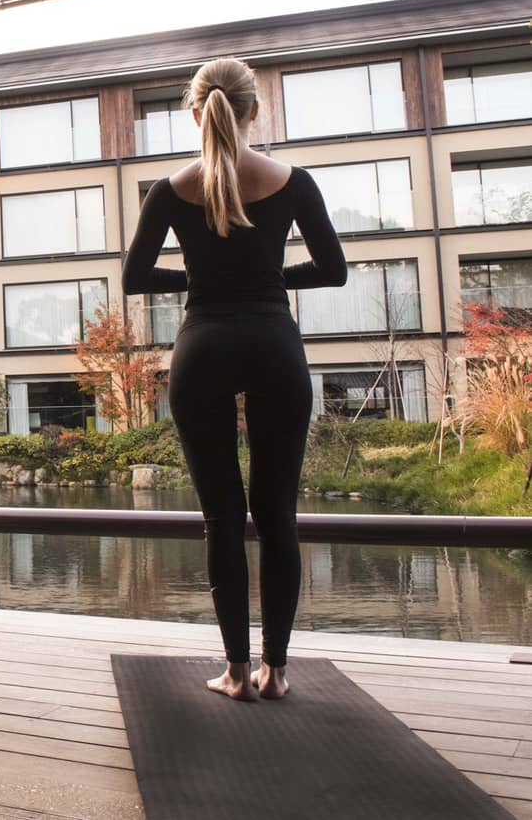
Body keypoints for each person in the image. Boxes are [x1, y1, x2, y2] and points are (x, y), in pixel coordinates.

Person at [124, 58, 346, 701]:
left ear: (195, 114)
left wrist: (198, 280)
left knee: (222, 517)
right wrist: (272, 279)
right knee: (278, 516)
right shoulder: (293, 182)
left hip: (204, 349)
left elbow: (136, 279)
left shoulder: (169, 190)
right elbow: (333, 270)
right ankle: (277, 671)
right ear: (255, 111)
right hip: (275, 345)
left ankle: (236, 672)